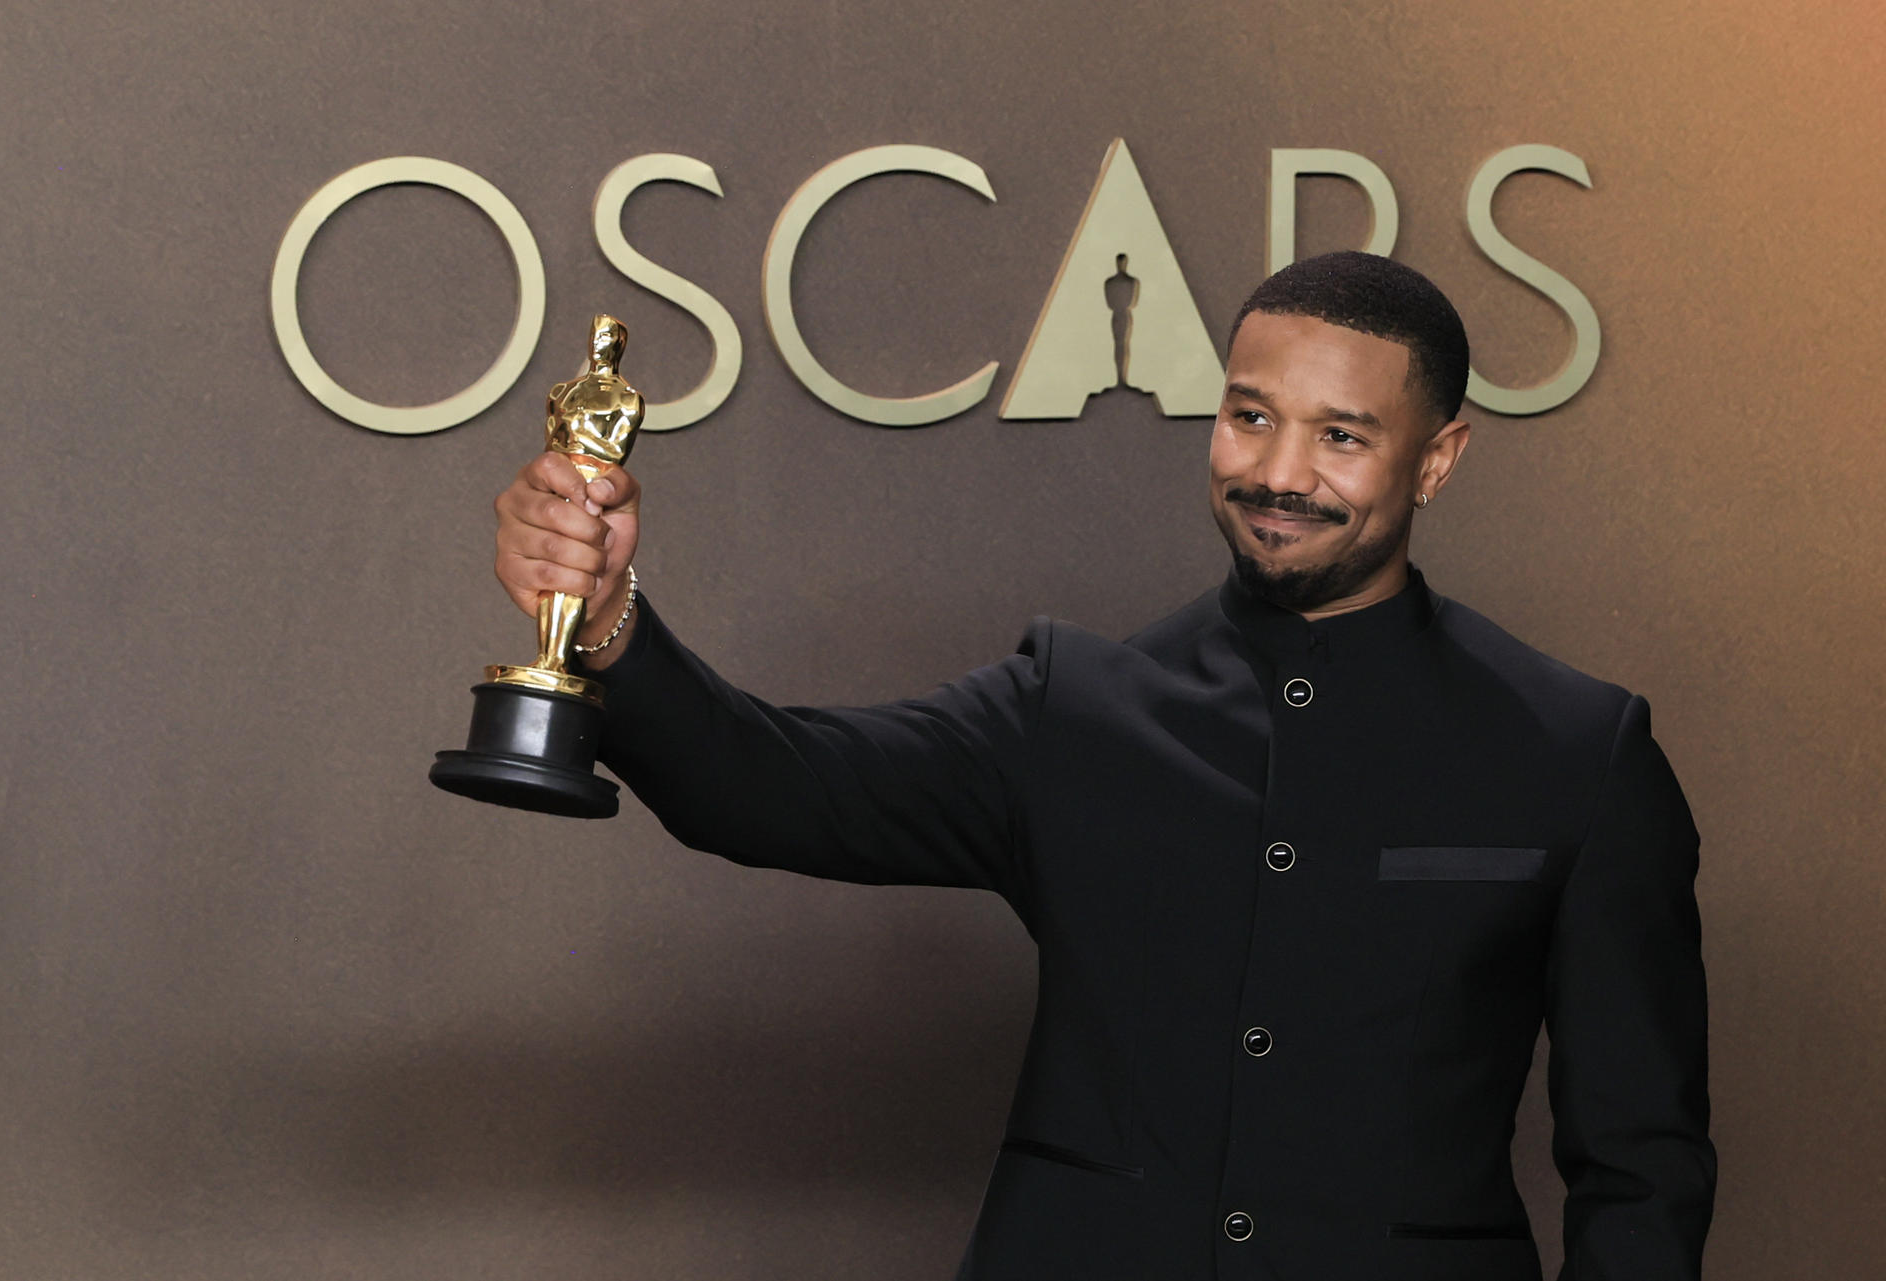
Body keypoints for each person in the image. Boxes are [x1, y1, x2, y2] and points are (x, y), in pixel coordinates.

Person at [488, 251, 1715, 1280]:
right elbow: (773, 786)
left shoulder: (1577, 751)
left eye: (1342, 435)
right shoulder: (1070, 711)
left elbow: (1642, 1170)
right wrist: (602, 623)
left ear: (1437, 459)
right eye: (1250, 416)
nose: (1280, 474)